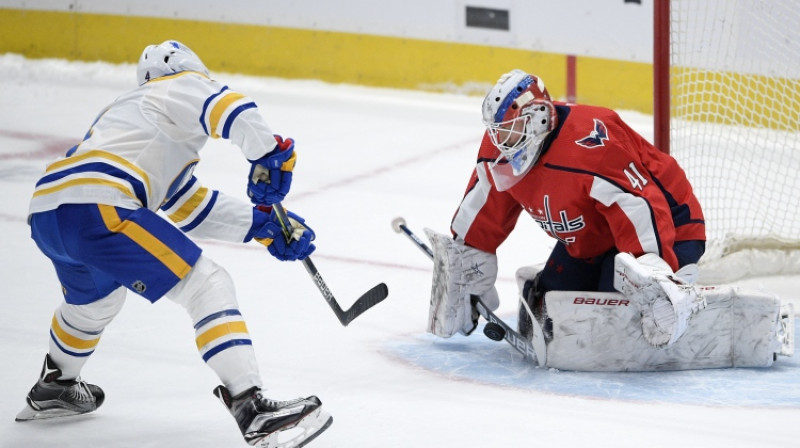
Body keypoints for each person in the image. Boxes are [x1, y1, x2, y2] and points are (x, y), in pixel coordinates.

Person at [16, 40, 333, 447]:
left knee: (94, 303)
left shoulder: (134, 119)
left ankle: (55, 385)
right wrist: (269, 154)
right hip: (101, 204)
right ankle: (251, 409)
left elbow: (187, 206)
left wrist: (262, 225)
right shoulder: (177, 85)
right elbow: (232, 108)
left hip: (50, 211)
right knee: (207, 284)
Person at [426, 69, 707, 349]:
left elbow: (641, 206)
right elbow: (481, 220)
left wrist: (652, 275)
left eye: (509, 130)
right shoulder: (502, 151)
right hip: (594, 237)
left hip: (670, 225)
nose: (500, 142)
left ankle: (676, 279)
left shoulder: (590, 144)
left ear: (538, 118)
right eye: (498, 131)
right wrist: (468, 267)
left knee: (616, 319)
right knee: (546, 306)